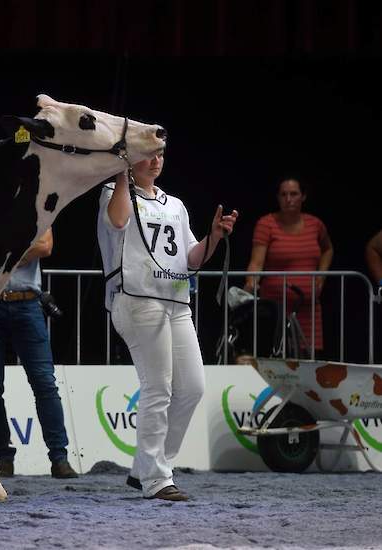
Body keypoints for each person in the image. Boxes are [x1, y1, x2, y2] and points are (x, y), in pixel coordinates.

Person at [97, 150, 237, 501]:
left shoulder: (174, 204)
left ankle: (148, 466)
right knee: (158, 387)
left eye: (160, 154)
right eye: (147, 155)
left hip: (176, 302)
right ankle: (157, 478)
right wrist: (119, 176)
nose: (156, 160)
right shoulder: (114, 194)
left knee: (192, 386)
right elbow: (116, 223)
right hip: (137, 300)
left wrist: (215, 237)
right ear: (130, 161)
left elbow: (191, 258)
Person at [0, 228, 78, 479]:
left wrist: (3, 257)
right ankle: (3, 457)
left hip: (27, 302)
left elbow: (45, 245)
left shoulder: (33, 202)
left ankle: (59, 457)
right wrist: (20, 250)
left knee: (44, 382)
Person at [244, 178, 332, 356]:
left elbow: (328, 249)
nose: (288, 199)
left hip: (308, 308)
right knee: (277, 356)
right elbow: (257, 261)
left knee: (309, 362)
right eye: (283, 194)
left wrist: (322, 276)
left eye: (294, 194)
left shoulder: (316, 225)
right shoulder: (267, 224)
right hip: (276, 307)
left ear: (303, 196)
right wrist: (250, 283)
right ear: (277, 198)